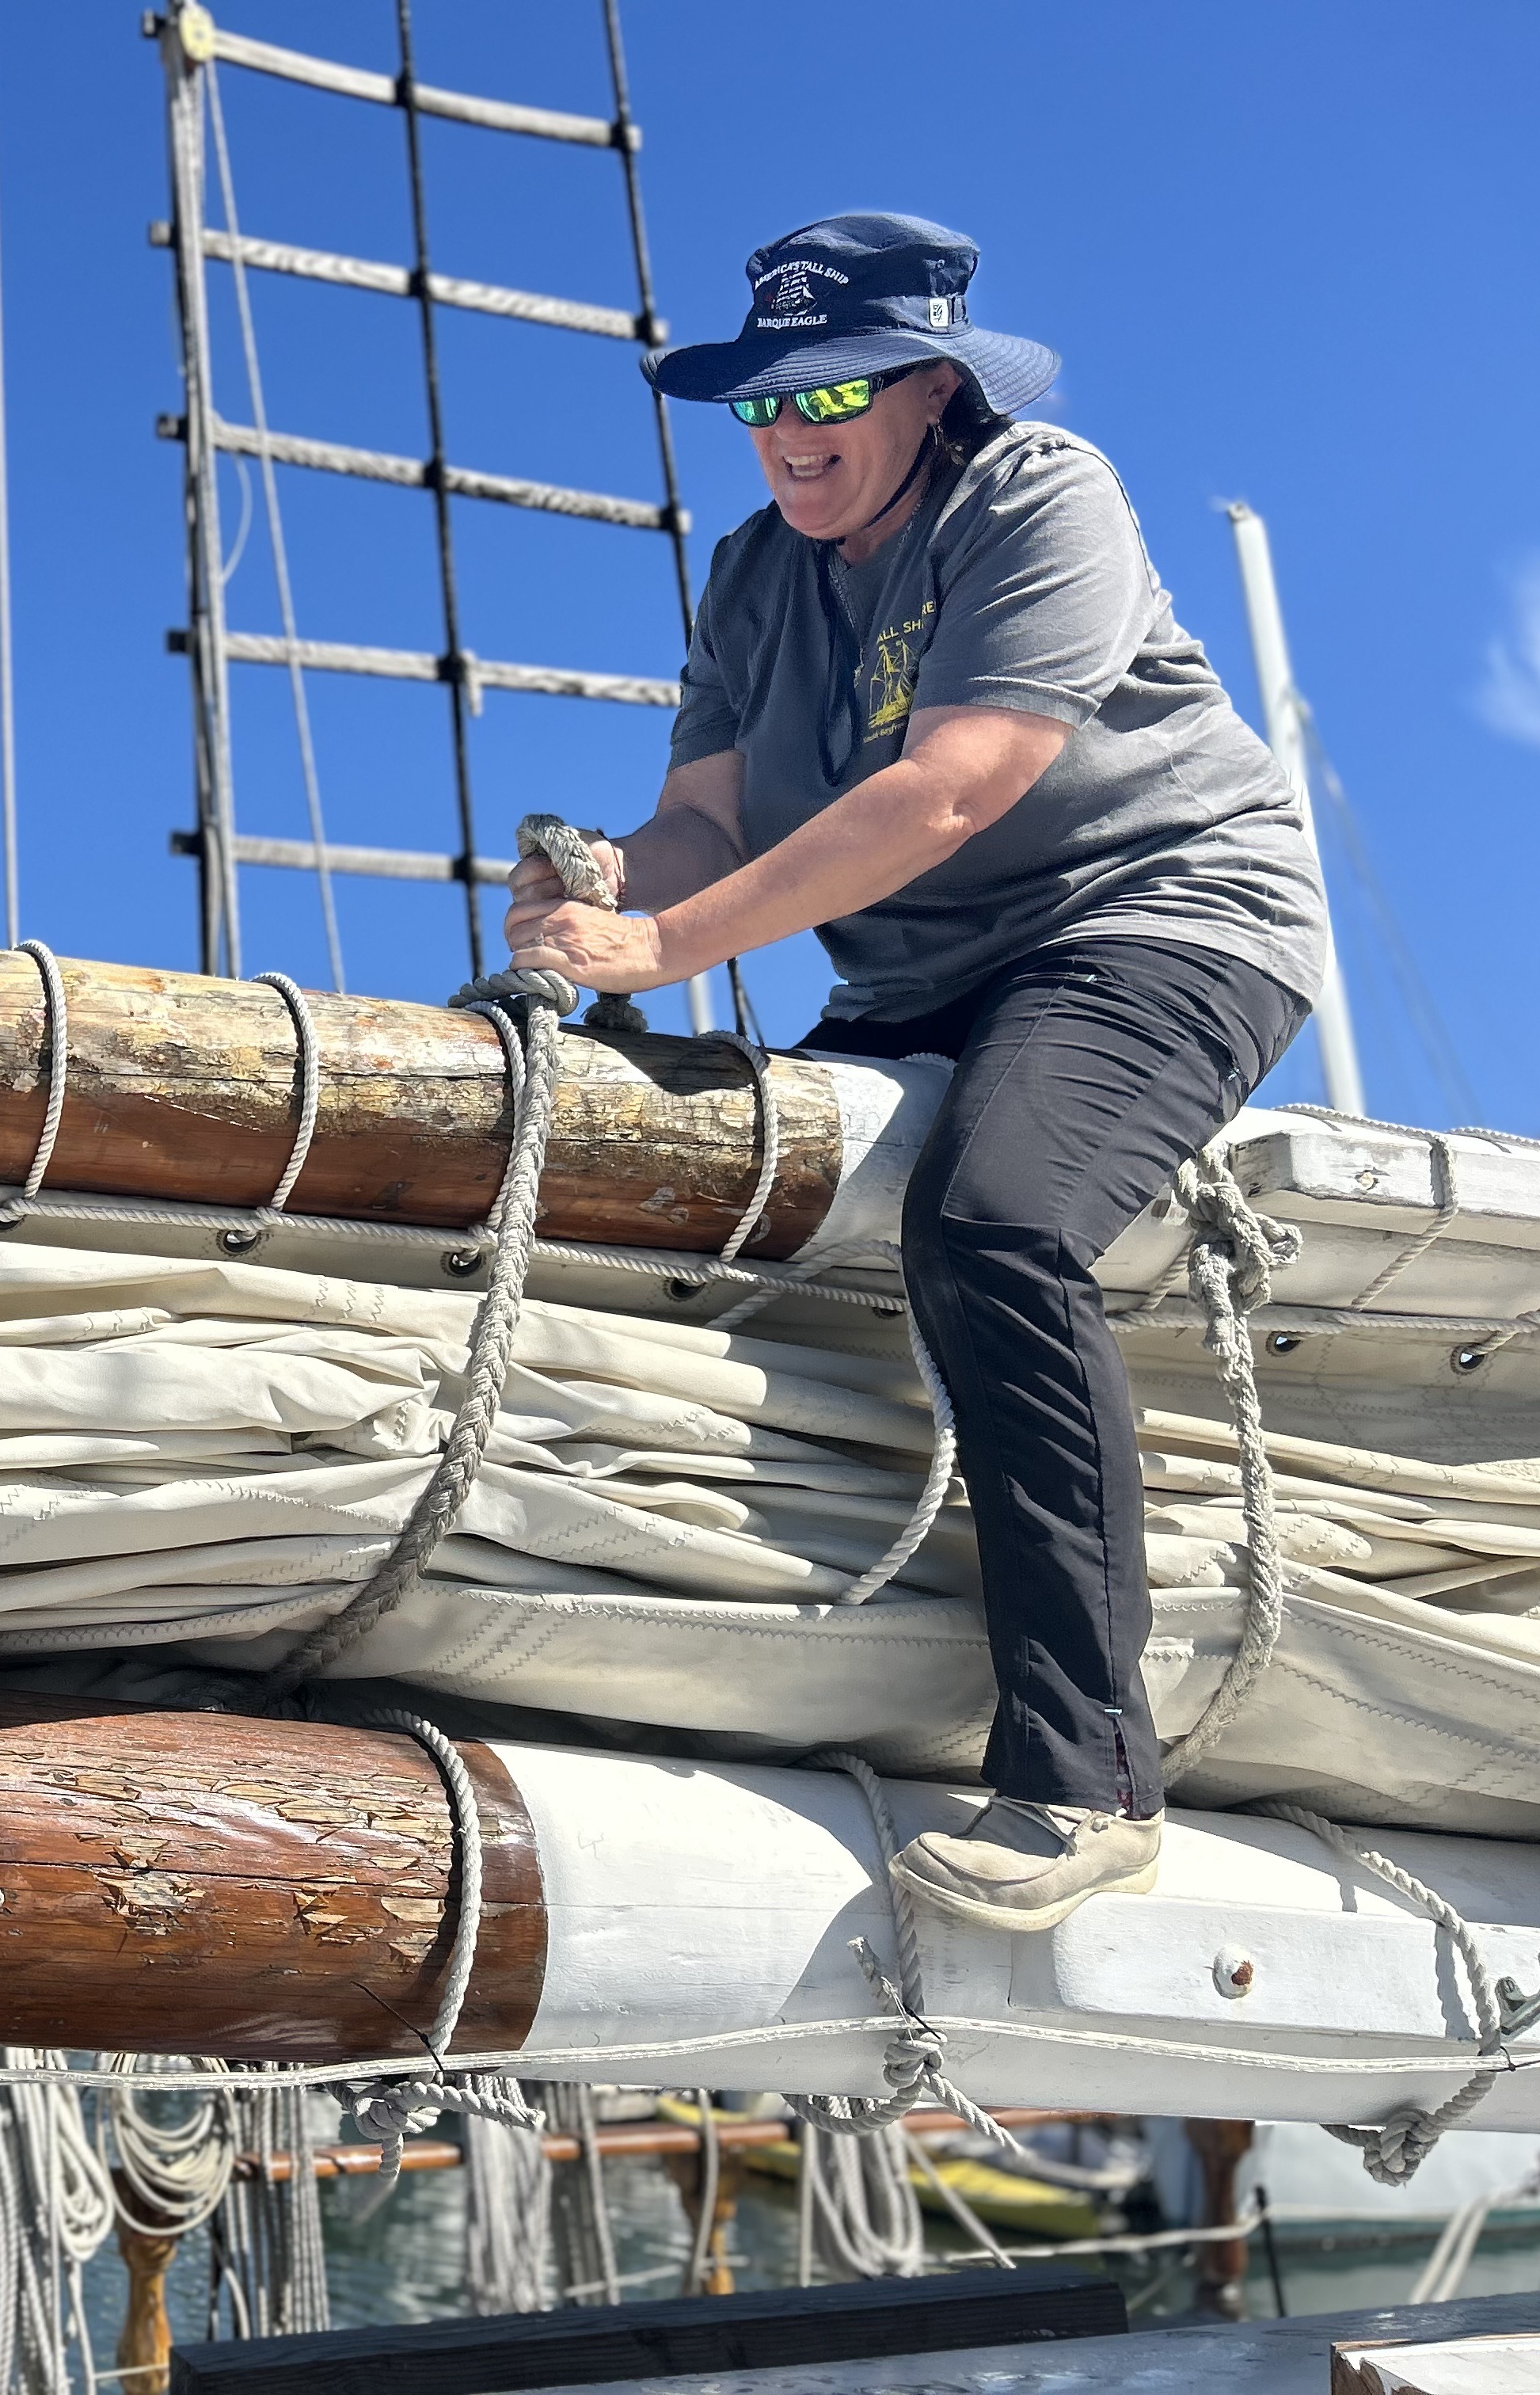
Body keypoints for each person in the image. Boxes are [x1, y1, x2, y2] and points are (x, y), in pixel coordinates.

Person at [503, 212, 1327, 1932]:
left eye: (839, 388)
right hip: (924, 977)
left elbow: (951, 788)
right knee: (745, 1230)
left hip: (1157, 919)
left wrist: (669, 951)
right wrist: (600, 903)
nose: (793, 431)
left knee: (993, 1224)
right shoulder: (750, 574)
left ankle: (1087, 1780)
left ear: (936, 387)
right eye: (763, 400)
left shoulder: (1040, 496)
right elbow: (706, 824)